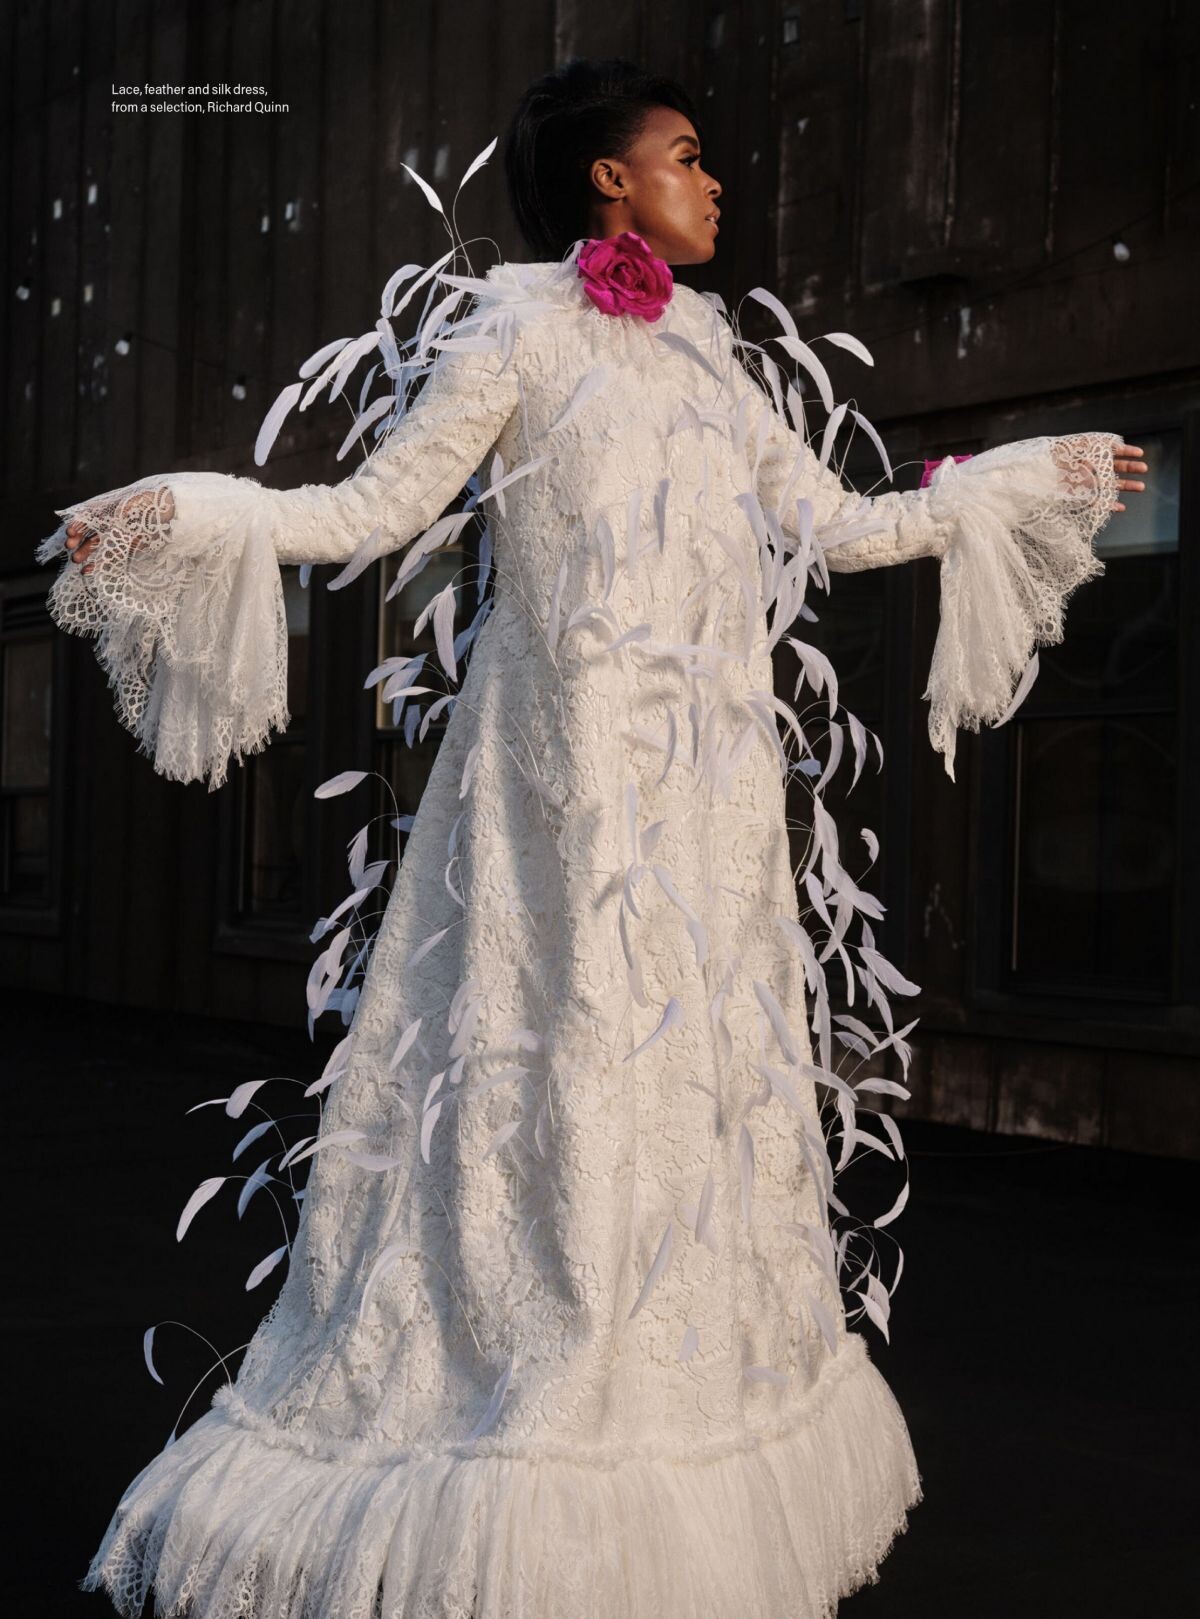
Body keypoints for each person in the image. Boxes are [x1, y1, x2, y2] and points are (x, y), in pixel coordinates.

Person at [42, 56, 1146, 1619]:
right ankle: (527, 1421)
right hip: (558, 790)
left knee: (686, 1089)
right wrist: (192, 515)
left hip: (705, 800)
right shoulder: (514, 329)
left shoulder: (709, 348)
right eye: (687, 154)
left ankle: (673, 1400)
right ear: (609, 180)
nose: (715, 181)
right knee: (549, 1066)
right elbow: (369, 511)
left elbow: (836, 526)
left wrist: (1017, 485)